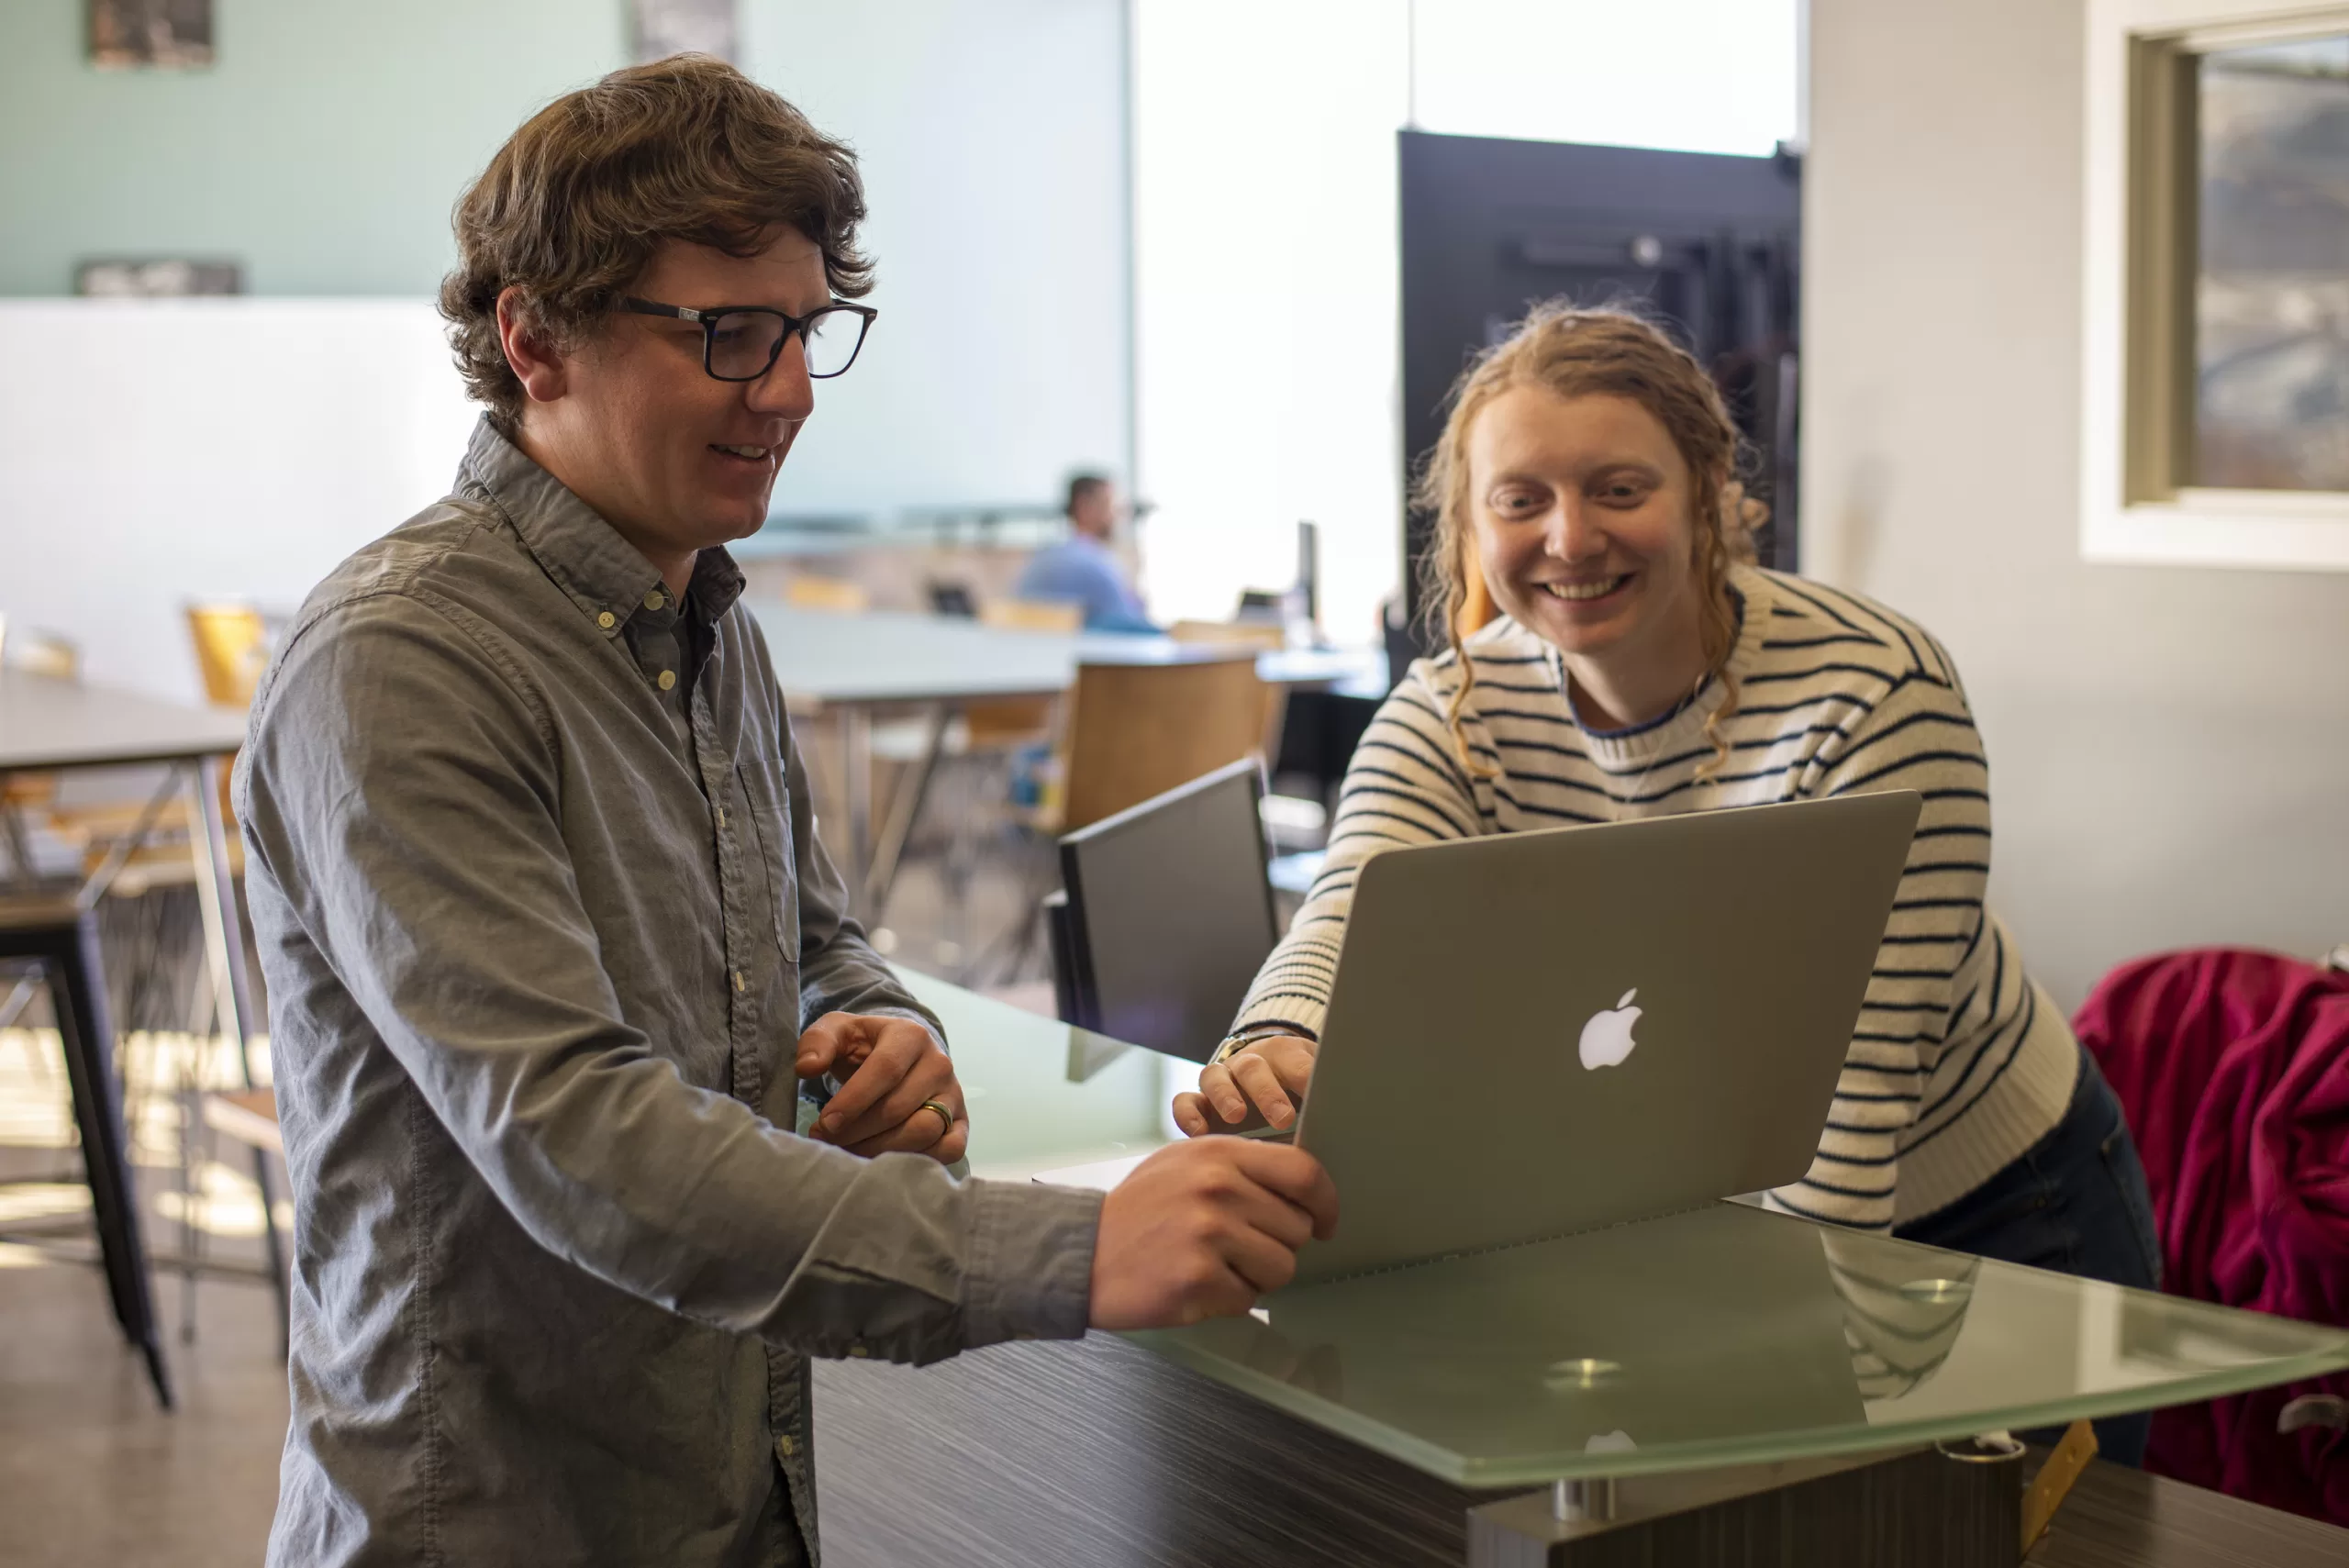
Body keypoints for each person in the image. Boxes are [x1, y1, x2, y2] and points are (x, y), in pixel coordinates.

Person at [235, 57, 1335, 1568]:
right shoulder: (400, 656)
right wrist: (1074, 1248)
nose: (793, 390)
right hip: (493, 1516)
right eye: (729, 335)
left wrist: (882, 1027)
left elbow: (813, 937)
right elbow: (577, 1139)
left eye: (807, 331)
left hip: (737, 1483)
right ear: (535, 339)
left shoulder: (705, 613)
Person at [1173, 302, 2163, 1461]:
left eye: (1618, 488)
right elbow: (1352, 902)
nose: (1570, 537)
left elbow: (1852, 1112)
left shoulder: (1876, 693)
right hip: (1684, 1213)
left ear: (1709, 492)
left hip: (1995, 1209)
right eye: (1521, 498)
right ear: (1469, 523)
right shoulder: (1454, 708)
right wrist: (1275, 1039)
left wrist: (1765, 1417)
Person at [1012, 472, 1155, 631]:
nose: (1118, 516)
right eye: (1112, 506)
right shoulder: (1094, 564)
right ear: (1085, 506)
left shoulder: (1041, 559)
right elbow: (1131, 625)